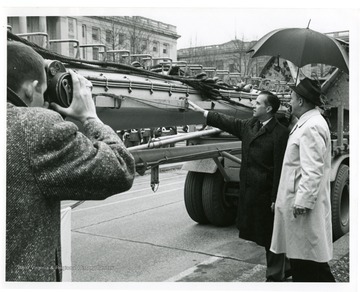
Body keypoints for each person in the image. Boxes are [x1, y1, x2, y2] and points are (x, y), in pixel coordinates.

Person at [6, 41, 135, 281]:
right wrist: (90, 116)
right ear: (30, 89)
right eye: (44, 94)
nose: (45, 103)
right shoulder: (32, 128)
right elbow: (121, 168)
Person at [188, 91, 290, 282]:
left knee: (271, 236)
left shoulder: (280, 133)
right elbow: (228, 122)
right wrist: (203, 113)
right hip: (251, 191)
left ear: (268, 109)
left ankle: (275, 277)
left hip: (267, 194)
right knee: (262, 234)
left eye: (257, 103)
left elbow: (281, 169)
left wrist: (276, 198)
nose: (253, 105)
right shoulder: (251, 125)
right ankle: (288, 266)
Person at [270, 77, 336, 282]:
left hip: (301, 208)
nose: (289, 101)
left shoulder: (311, 127)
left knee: (309, 265)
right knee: (304, 261)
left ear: (300, 101)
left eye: (291, 97)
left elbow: (313, 169)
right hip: (297, 204)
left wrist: (303, 201)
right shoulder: (307, 123)